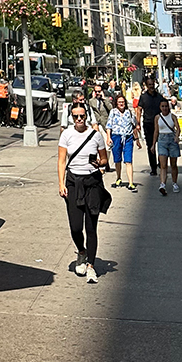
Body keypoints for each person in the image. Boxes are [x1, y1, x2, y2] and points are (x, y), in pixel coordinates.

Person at [59, 102, 110, 281]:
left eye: (82, 116)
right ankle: (81, 251)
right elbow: (61, 160)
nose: (79, 119)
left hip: (93, 183)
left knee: (91, 228)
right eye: (75, 116)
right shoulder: (66, 135)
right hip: (73, 183)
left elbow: (104, 159)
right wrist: (60, 183)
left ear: (87, 116)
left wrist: (99, 163)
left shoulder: (95, 136)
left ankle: (91, 266)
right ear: (71, 117)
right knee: (75, 227)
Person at [106, 93, 138, 190]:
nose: (121, 104)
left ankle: (131, 182)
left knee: (128, 160)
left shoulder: (129, 112)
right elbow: (108, 126)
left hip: (128, 137)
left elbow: (135, 126)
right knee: (117, 159)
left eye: (123, 102)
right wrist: (108, 137)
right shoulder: (113, 112)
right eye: (119, 102)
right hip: (116, 136)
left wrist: (137, 139)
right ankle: (118, 177)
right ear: (116, 103)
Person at [156, 93, 182, 195]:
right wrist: (153, 144)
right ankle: (162, 184)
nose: (164, 108)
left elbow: (178, 128)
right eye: (162, 106)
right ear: (160, 107)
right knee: (163, 165)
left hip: (172, 140)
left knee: (173, 164)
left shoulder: (173, 116)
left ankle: (174, 183)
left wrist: (176, 137)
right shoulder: (157, 117)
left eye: (166, 106)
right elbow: (156, 131)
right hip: (162, 140)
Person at [139, 79, 165, 180]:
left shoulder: (159, 97)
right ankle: (153, 167)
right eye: (149, 84)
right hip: (148, 124)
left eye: (152, 84)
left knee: (161, 144)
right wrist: (137, 123)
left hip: (159, 124)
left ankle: (161, 163)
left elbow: (165, 108)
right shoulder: (143, 97)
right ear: (146, 85)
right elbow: (139, 109)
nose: (151, 86)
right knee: (151, 146)